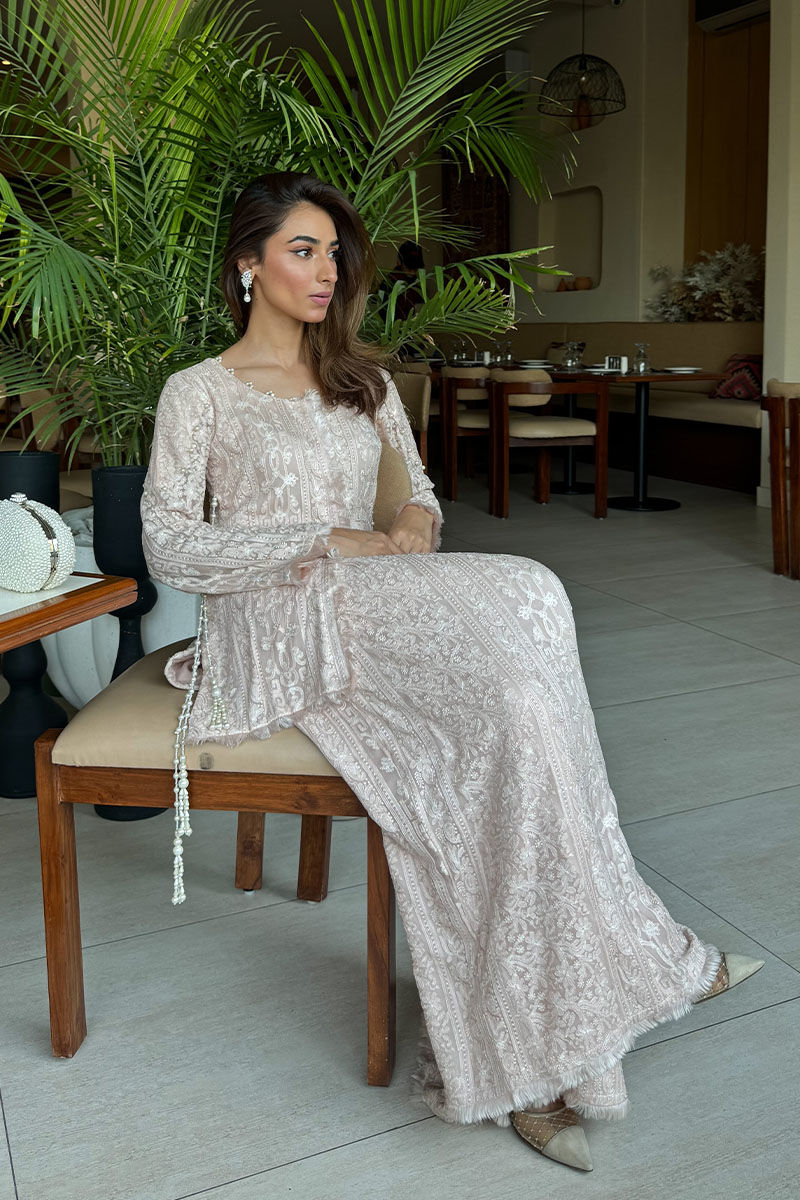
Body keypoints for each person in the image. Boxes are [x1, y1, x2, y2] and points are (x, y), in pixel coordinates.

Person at [140, 172, 763, 1173]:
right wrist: (322, 538)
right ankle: (538, 1059)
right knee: (506, 707)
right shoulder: (199, 392)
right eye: (301, 249)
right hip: (280, 619)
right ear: (246, 264)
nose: (325, 270)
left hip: (379, 593)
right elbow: (170, 544)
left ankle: (604, 978)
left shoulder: (363, 381)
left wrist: (416, 520)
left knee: (531, 618)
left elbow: (415, 490)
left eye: (333, 252)